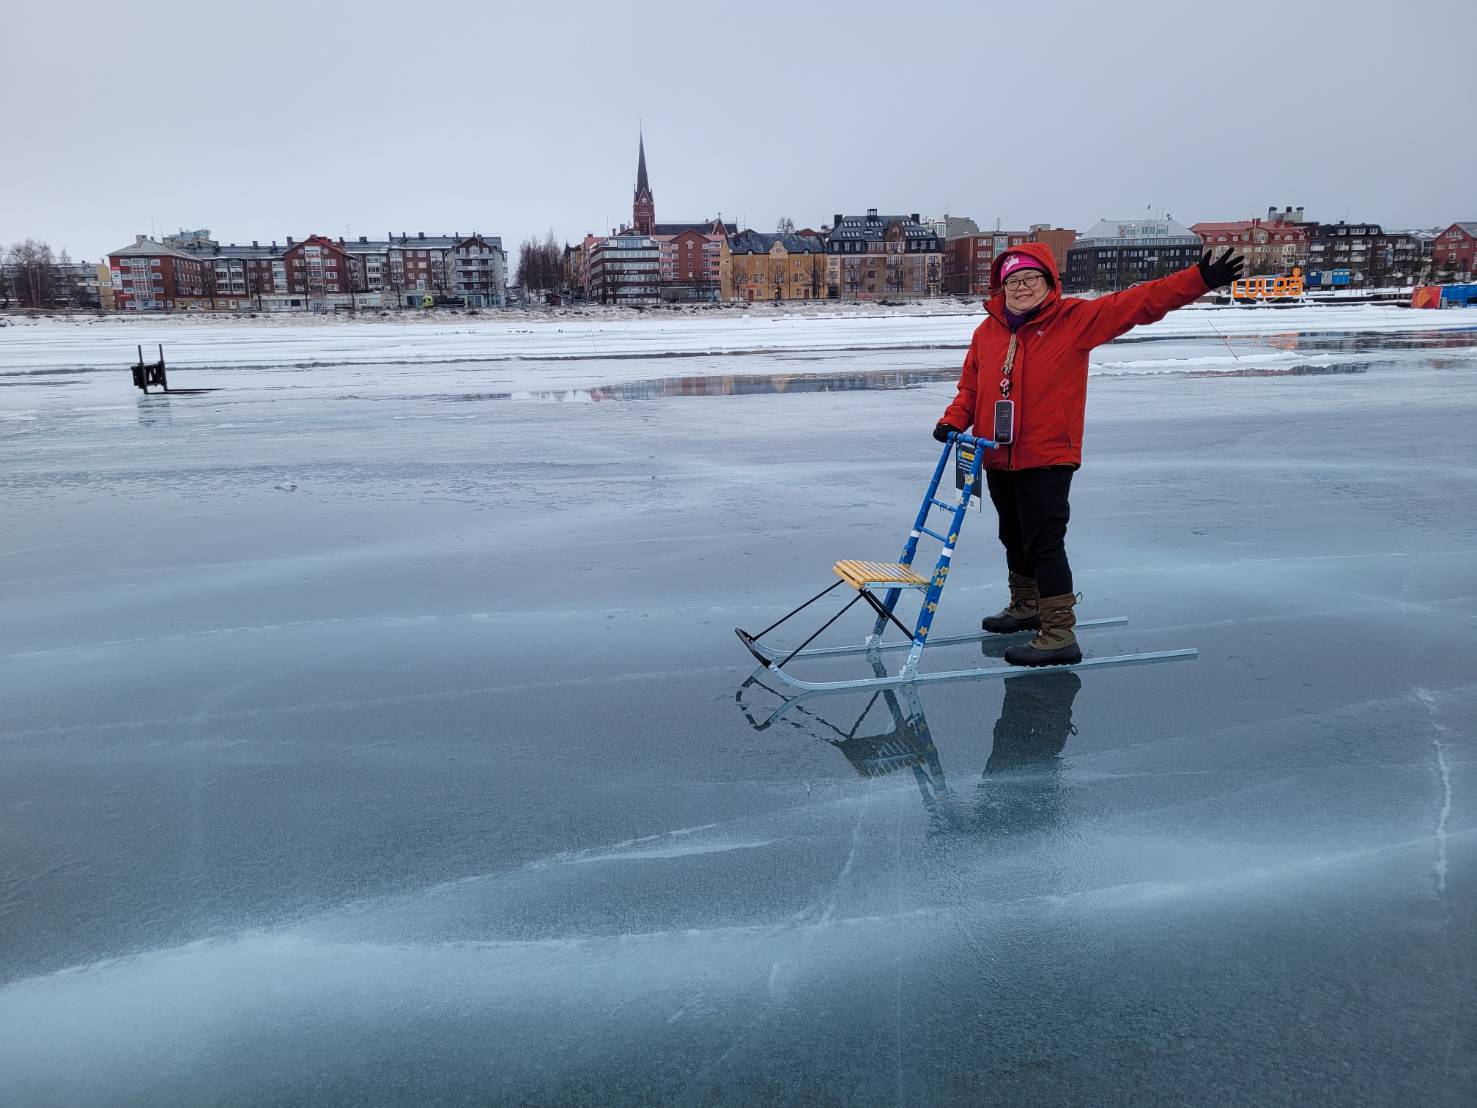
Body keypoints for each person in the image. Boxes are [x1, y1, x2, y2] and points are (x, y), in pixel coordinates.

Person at [935, 242, 1244, 666]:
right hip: (996, 454)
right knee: (1013, 536)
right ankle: (1026, 607)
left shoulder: (1074, 320)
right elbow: (971, 387)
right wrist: (954, 420)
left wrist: (1199, 280)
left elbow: (1137, 303)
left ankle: (1059, 632)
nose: (1021, 288)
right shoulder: (987, 332)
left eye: (1030, 279)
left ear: (1048, 282)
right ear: (1000, 287)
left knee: (1044, 542)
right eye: (1012, 281)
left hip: (1047, 454)